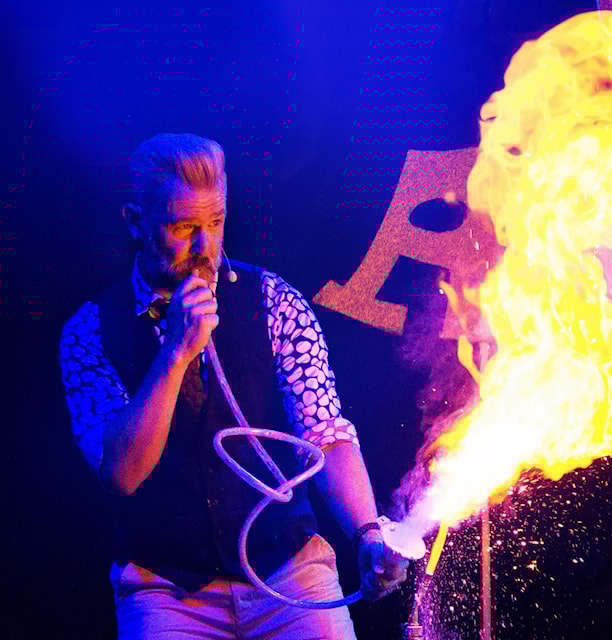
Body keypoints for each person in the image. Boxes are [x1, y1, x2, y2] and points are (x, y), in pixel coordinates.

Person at [59, 132, 407, 639]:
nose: (206, 248)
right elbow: (122, 474)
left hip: (288, 570)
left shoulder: (275, 302)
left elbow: (326, 432)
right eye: (183, 227)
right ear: (135, 222)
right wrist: (174, 353)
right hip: (165, 588)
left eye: (216, 222)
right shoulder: (88, 331)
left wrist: (367, 534)